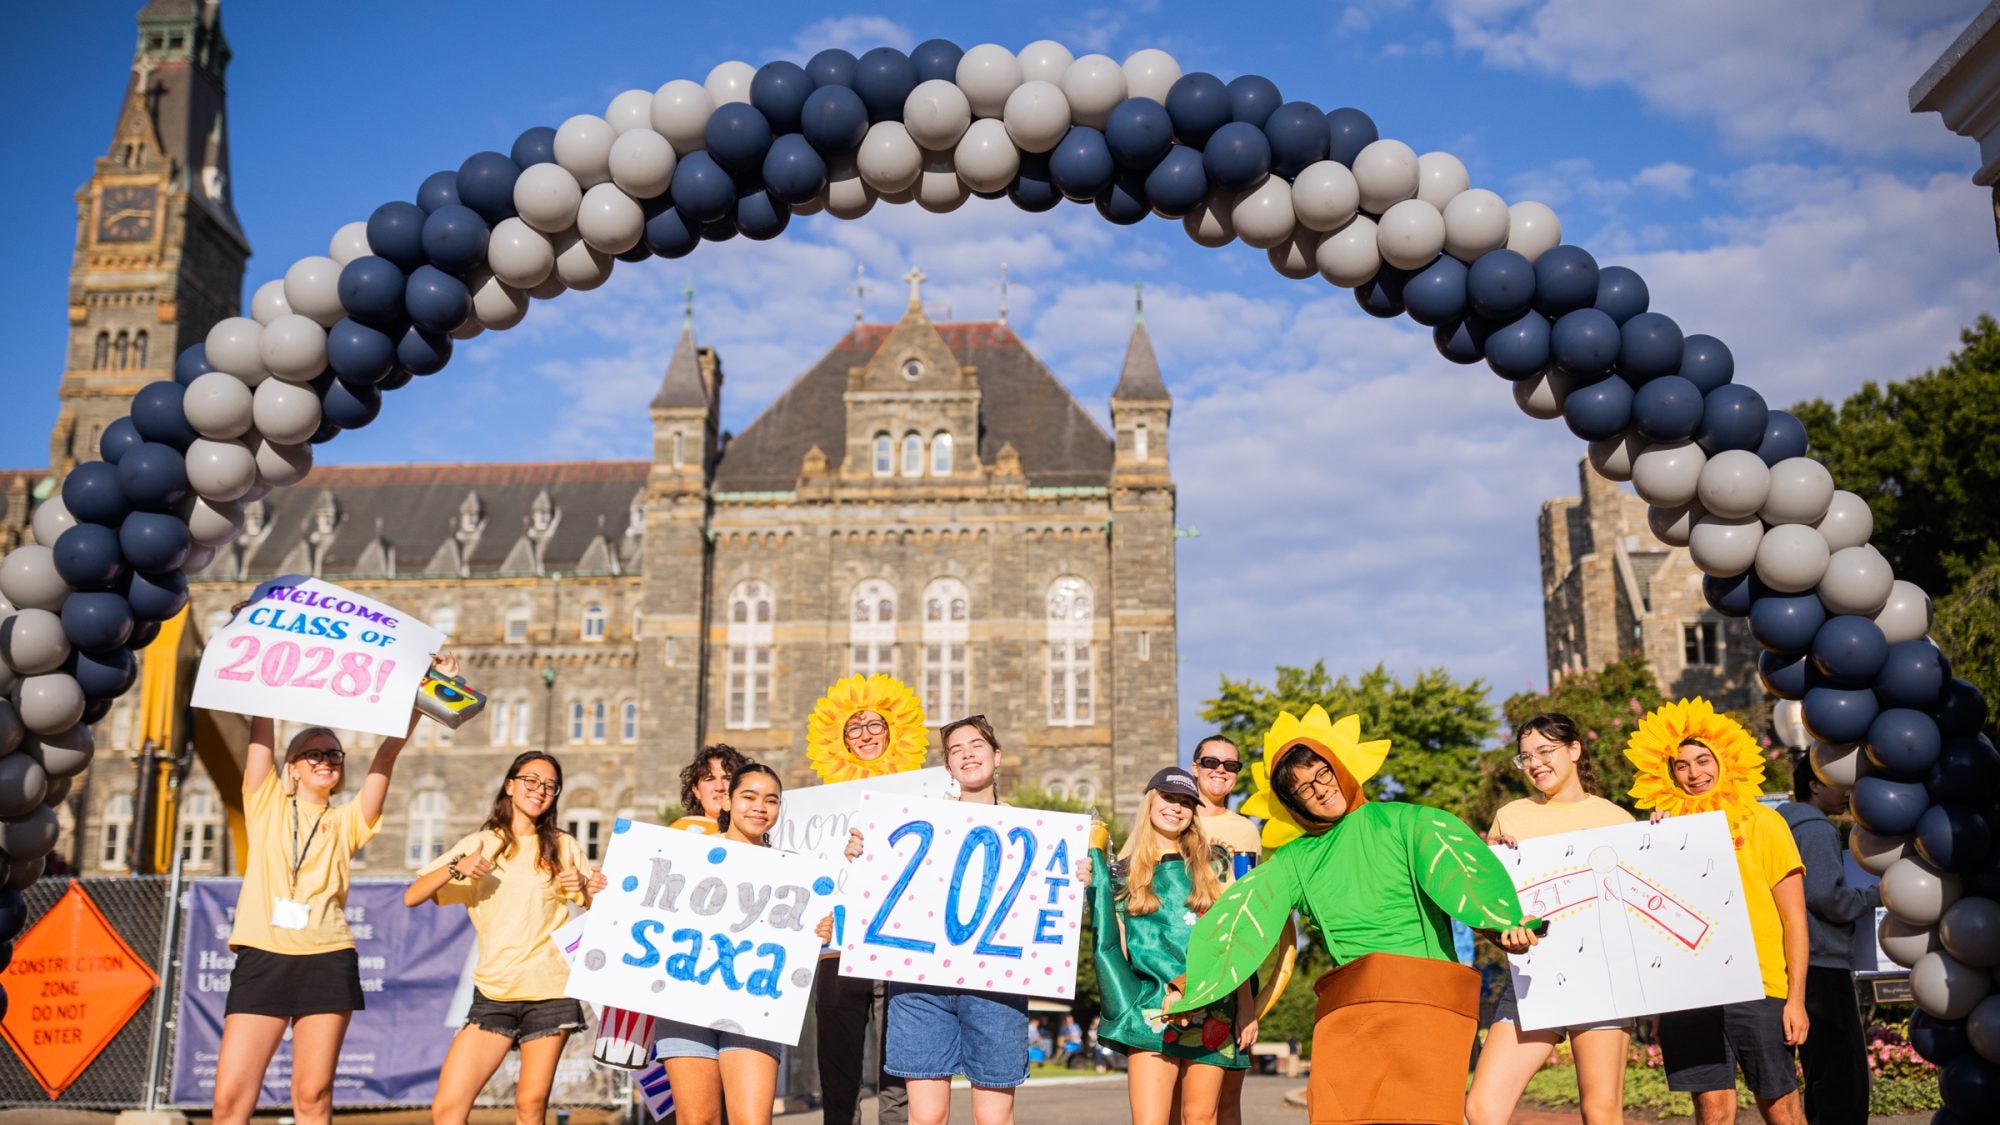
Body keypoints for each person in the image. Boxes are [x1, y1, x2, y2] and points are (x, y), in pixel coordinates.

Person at [1175, 706, 1539, 1125]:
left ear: (1339, 766)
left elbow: (1462, 880)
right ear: (1292, 804)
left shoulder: (1408, 821)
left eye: (1322, 774)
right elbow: (1240, 919)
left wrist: (1504, 925)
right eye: (1303, 790)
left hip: (1426, 1005)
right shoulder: (1293, 861)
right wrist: (1192, 985)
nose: (1320, 790)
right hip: (1353, 1012)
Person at [210, 651, 456, 1125]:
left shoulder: (347, 821)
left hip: (326, 958)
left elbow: (387, 754)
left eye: (334, 754)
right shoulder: (265, 803)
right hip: (263, 955)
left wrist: (427, 695)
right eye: (314, 753)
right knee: (230, 1101)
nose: (326, 759)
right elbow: (264, 728)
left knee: (314, 1095)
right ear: (293, 768)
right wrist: (266, 646)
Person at [883, 714, 1090, 1125]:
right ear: (948, 768)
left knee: (994, 1119)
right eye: (955, 750)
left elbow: (1048, 912)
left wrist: (1077, 880)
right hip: (921, 984)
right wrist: (865, 849)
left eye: (975, 745)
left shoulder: (1037, 832)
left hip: (996, 983)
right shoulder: (917, 821)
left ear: (997, 757)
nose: (966, 754)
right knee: (925, 1118)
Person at [1626, 698, 1809, 1125]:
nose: (1695, 774)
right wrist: (1660, 1004)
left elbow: (1795, 919)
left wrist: (1796, 1000)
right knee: (1712, 1109)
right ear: (1666, 772)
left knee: (1780, 1106)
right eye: (1681, 765)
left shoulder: (1764, 823)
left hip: (1761, 987)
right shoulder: (1662, 833)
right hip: (1691, 991)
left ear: (1725, 759)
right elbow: (1660, 924)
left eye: (1703, 760)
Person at [404, 750, 605, 1125]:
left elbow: (599, 908)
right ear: (510, 785)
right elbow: (412, 896)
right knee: (447, 1109)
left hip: (550, 991)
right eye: (530, 780)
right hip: (493, 994)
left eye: (549, 785)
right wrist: (454, 867)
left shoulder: (563, 846)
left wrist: (585, 887)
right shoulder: (480, 843)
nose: (540, 790)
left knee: (529, 1107)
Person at [652, 762, 847, 1125]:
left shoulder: (795, 872)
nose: (760, 807)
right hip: (683, 1006)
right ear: (726, 802)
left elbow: (809, 946)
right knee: (697, 1121)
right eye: (749, 796)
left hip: (754, 1009)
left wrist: (820, 933)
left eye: (770, 800)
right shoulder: (686, 854)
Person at [1465, 714, 1635, 1125]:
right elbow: (1486, 912)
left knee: (1600, 1111)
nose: (1536, 763)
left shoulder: (1618, 820)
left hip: (1602, 980)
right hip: (1531, 977)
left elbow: (1636, 911)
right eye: (1525, 757)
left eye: (1545, 751)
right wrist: (1498, 864)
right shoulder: (1510, 817)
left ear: (1575, 750)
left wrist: (1661, 841)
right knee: (1482, 1108)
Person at [1093, 767, 1255, 1125]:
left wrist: (1246, 1007)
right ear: (1151, 802)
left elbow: (1230, 942)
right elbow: (1115, 950)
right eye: (1168, 797)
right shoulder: (1122, 873)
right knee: (1151, 1120)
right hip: (1149, 1010)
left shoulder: (1216, 866)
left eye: (1186, 802)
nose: (1176, 808)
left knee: (1200, 1117)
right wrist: (1091, 887)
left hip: (1212, 1005)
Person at [804, 674, 926, 1125]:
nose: (865, 734)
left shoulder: (927, 792)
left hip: (900, 945)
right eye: (854, 727)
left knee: (899, 1070)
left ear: (894, 730)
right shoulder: (819, 803)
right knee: (839, 1069)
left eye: (874, 724)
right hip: (837, 944)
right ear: (839, 737)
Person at [1778, 753, 1877, 1125]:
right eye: (1839, 783)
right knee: (1842, 1077)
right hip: (1824, 959)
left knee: (1819, 1073)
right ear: (1815, 784)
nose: (1848, 793)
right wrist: (1874, 896)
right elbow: (1824, 895)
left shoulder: (1782, 824)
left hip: (1798, 962)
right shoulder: (1816, 828)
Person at [1186, 735, 1263, 1125]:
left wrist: (1247, 1001)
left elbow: (1249, 917)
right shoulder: (1170, 814)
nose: (1220, 769)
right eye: (1211, 761)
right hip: (1172, 966)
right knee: (1173, 1106)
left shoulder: (1246, 832)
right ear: (1194, 766)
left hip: (1230, 969)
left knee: (1224, 1104)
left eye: (1230, 765)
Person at [670, 743, 749, 834]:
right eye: (709, 779)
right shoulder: (679, 832)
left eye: (728, 779)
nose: (719, 787)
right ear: (696, 790)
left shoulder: (763, 836)